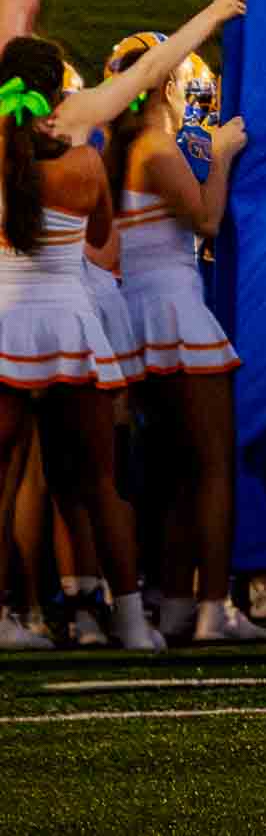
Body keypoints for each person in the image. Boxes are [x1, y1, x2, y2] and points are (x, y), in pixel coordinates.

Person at [0, 35, 164, 652]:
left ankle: (9, 619)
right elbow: (100, 236)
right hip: (71, 324)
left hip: (7, 324)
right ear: (57, 93)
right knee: (100, 484)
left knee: (6, 480)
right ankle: (129, 622)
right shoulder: (87, 164)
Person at [102, 27, 262, 642]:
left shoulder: (117, 150)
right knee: (214, 465)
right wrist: (219, 156)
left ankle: (173, 600)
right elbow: (205, 218)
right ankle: (213, 606)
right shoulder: (155, 148)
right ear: (166, 83)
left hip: (137, 318)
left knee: (170, 468)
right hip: (174, 313)